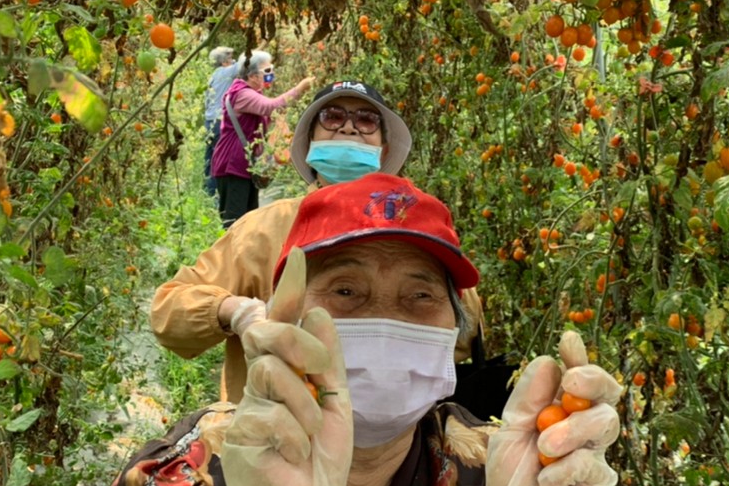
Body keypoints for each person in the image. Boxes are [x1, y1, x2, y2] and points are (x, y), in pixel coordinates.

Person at [101, 173, 621, 486]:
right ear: (286, 317)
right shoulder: (185, 479)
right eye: (346, 291)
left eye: (420, 296)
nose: (387, 318)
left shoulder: (492, 479)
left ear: (454, 331)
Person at [153, 79, 484, 403]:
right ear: (310, 141)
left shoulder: (413, 224)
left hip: (390, 443)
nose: (349, 128)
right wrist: (234, 311)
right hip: (272, 435)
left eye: (367, 120)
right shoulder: (266, 229)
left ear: (383, 150)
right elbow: (169, 311)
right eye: (333, 117)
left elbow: (464, 332)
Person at [210, 50, 313, 228]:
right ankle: (229, 256)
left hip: (244, 166)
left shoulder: (251, 93)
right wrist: (301, 88)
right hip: (232, 166)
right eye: (267, 71)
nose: (271, 75)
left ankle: (243, 255)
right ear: (252, 76)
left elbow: (271, 111)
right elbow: (272, 106)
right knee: (235, 224)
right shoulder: (241, 94)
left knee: (248, 223)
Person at [202, 46, 239, 197]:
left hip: (209, 122)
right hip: (219, 122)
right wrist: (263, 44)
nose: (233, 60)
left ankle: (206, 194)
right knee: (221, 160)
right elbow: (247, 62)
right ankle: (217, 198)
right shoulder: (226, 73)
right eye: (230, 58)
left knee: (210, 159)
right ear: (224, 62)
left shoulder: (213, 76)